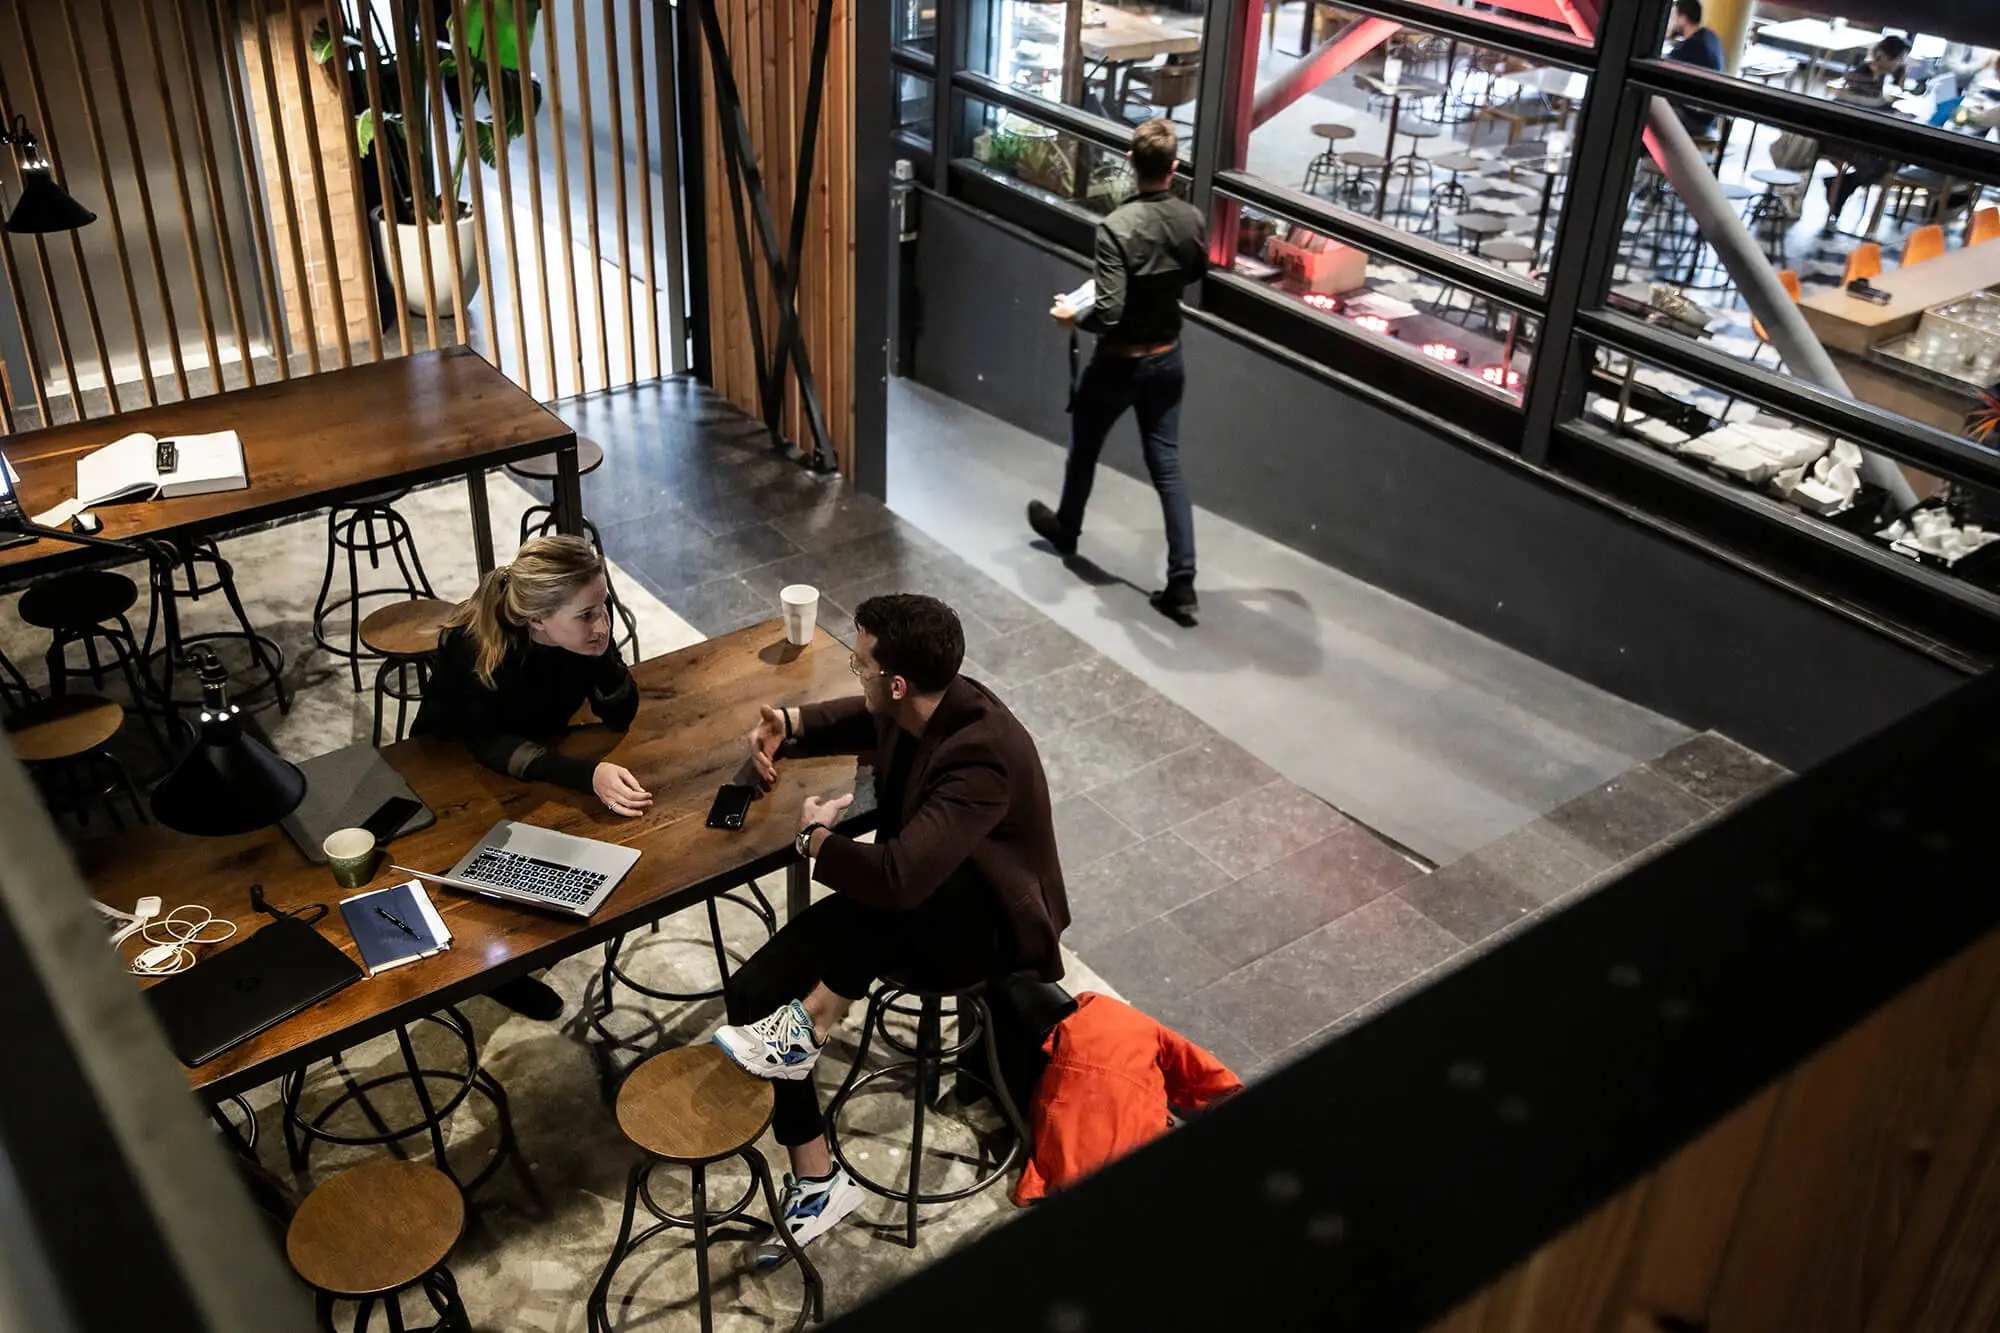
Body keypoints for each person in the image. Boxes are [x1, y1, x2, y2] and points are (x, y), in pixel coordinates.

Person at [708, 593, 1068, 1264]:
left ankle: (816, 1014)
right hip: (905, 906)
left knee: (899, 880)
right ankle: (818, 1178)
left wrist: (815, 840)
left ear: (896, 679)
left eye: (861, 660)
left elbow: (900, 878)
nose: (855, 669)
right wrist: (790, 723)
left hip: (979, 928)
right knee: (756, 989)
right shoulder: (923, 701)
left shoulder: (980, 754)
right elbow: (869, 721)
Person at [410, 534, 651, 1019]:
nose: (602, 622)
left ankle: (515, 956)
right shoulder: (474, 644)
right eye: (586, 615)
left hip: (532, 753)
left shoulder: (585, 635)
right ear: (538, 619)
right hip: (452, 766)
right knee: (493, 871)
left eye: (603, 606)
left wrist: (600, 652)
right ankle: (496, 971)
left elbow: (622, 711)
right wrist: (587, 774)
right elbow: (487, 743)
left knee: (575, 862)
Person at [1026, 118, 1207, 625]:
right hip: (1168, 357)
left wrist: (1071, 315)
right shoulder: (1191, 219)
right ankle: (1183, 583)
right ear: (1173, 168)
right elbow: (1194, 273)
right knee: (1167, 468)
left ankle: (1068, 528)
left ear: (1131, 162)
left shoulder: (1116, 228)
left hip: (1120, 364)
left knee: (1084, 448)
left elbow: (1107, 312)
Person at [1824, 37, 1911, 218]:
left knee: (1893, 159)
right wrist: (1890, 109)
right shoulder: (1861, 74)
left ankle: (1842, 186)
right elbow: (1865, 105)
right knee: (1882, 160)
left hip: (1859, 134)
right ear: (1883, 56)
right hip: (1840, 136)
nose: (1900, 63)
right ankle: (1841, 187)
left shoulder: (1879, 76)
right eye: (1899, 58)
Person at [1663, 0, 1725, 137]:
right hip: (1709, 117)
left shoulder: (1689, 48)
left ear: (1683, 19)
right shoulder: (1710, 36)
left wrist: (1667, 34)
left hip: (1694, 119)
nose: (1670, 21)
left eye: (1673, 17)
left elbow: (1661, 71)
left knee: (1650, 112)